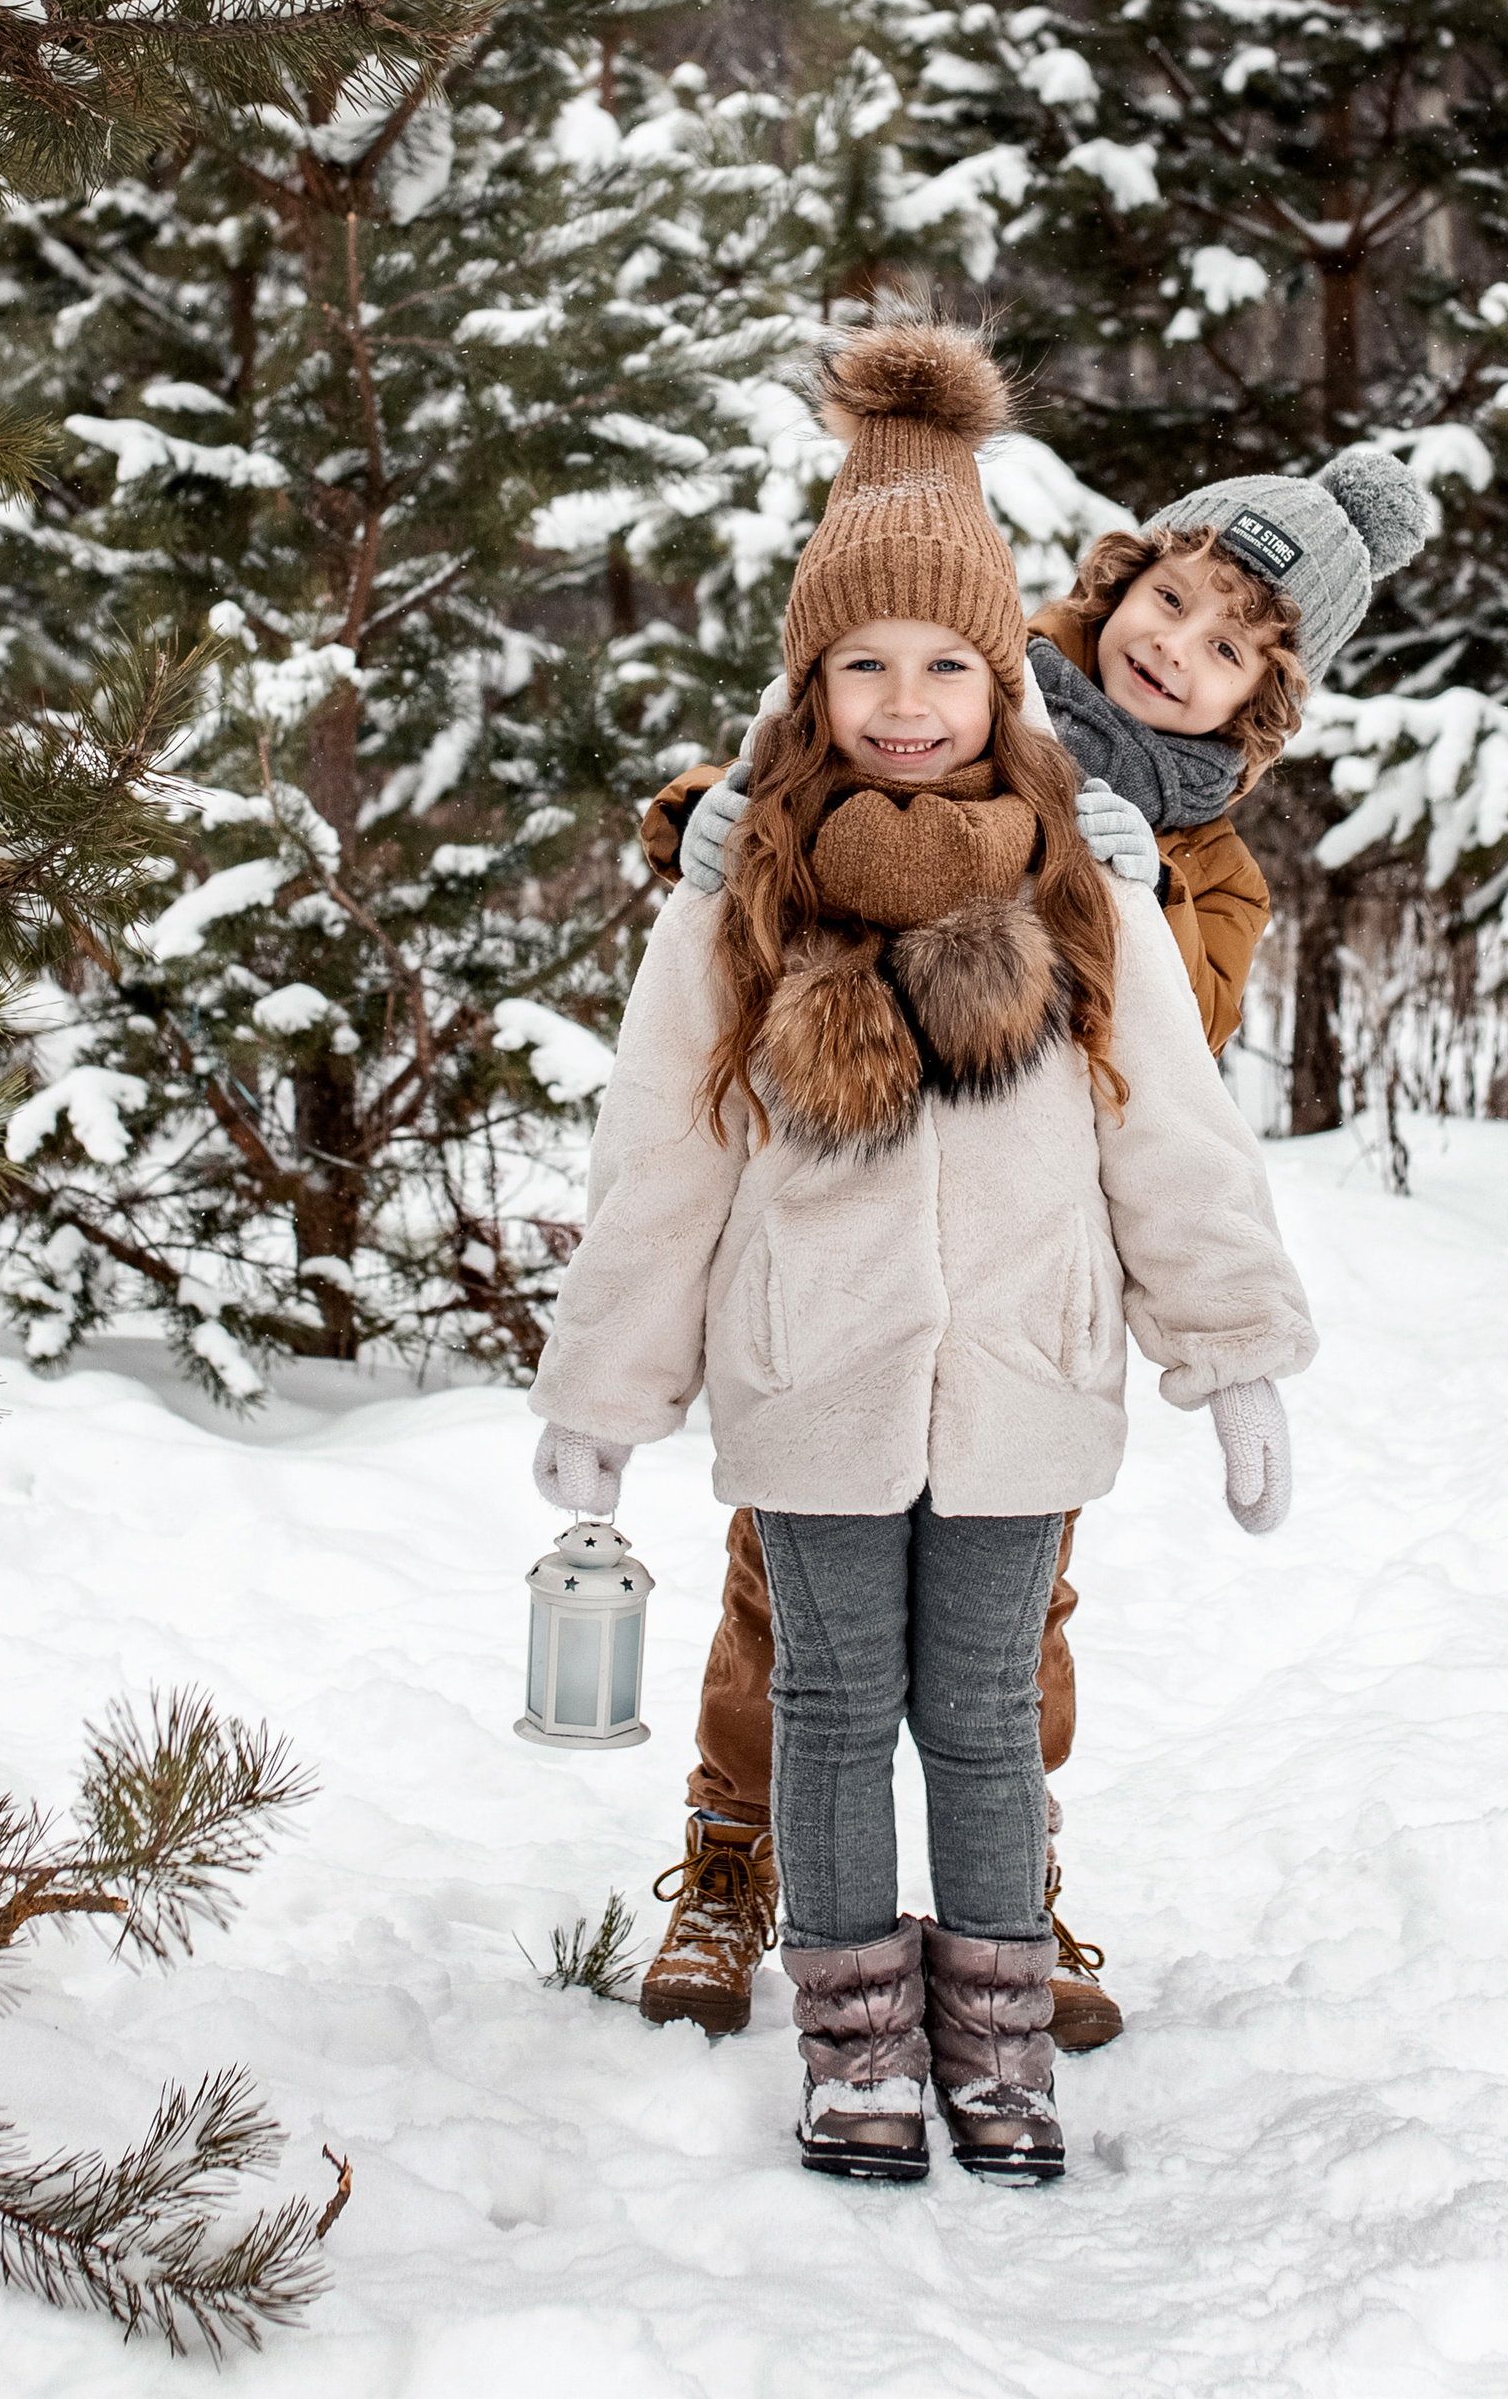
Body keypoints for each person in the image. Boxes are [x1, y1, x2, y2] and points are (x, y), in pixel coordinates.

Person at [524, 319, 1319, 2186]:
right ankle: (853, 2031)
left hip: (1026, 1378)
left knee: (978, 1711)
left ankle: (1000, 2024)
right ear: (811, 684)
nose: (904, 697)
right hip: (816, 1373)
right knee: (821, 1698)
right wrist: (605, 1394)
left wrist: (1238, 1357)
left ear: (999, 681)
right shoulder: (745, 885)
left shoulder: (1093, 878)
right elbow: (666, 1156)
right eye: (860, 662)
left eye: (944, 663)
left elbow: (1172, 1136)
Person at [625, 424, 1437, 2054]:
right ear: (1125, 572)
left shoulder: (1211, 868)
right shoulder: (968, 686)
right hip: (837, 1254)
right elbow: (788, 779)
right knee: (783, 1596)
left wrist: (1124, 903)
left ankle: (1014, 1886)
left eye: (1226, 652)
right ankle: (733, 1852)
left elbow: (1173, 1053)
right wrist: (695, 824)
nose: (1176, 649)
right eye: (1178, 597)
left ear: (1255, 708)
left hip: (1013, 1291)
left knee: (1017, 1615)